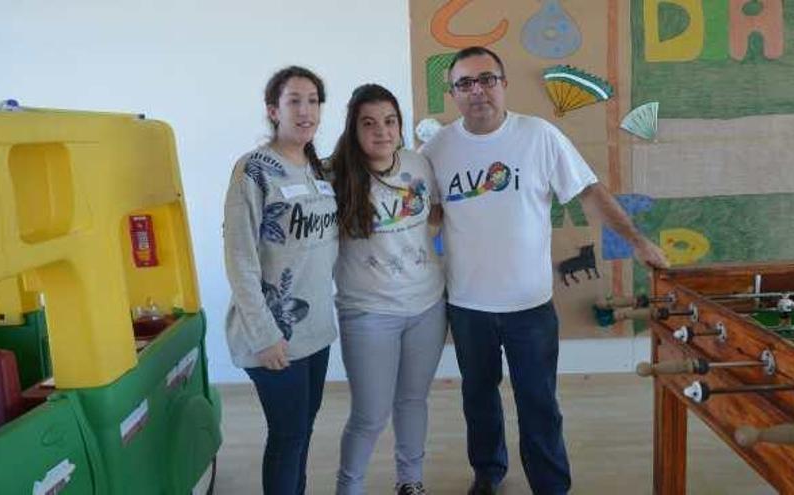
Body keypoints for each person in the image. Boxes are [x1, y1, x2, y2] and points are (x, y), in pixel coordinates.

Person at [419, 46, 670, 495]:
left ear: (504, 83)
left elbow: (589, 193)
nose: (477, 91)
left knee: (539, 404)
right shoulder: (437, 148)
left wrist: (636, 241)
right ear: (452, 93)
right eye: (465, 83)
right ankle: (488, 473)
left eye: (487, 79)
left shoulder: (539, 136)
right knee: (478, 400)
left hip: (529, 307)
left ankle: (551, 485)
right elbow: (430, 214)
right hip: (467, 304)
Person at [223, 66, 338, 495]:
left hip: (315, 332)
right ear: (274, 110)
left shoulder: (319, 171)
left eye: (313, 100)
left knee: (301, 434)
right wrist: (265, 334)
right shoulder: (254, 170)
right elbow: (240, 258)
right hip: (273, 337)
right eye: (294, 100)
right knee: (288, 437)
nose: (305, 110)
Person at [331, 84, 447, 495]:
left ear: (400, 126)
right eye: (369, 123)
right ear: (354, 129)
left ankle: (410, 481)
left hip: (428, 306)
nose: (381, 131)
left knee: (413, 400)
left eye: (390, 121)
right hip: (367, 313)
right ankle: (350, 487)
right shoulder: (335, 176)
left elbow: (434, 213)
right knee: (370, 414)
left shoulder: (419, 164)